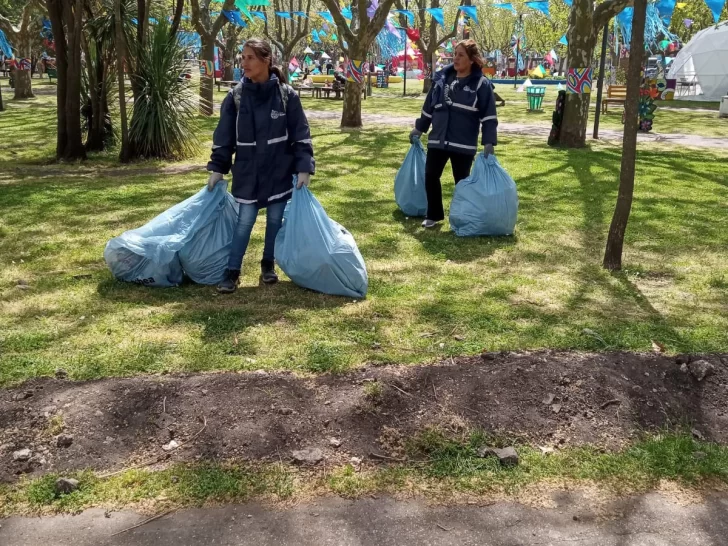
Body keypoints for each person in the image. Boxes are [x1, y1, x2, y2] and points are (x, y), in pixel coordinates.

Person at [206, 38, 315, 294]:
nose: (244, 62)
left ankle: (268, 264)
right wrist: (218, 168)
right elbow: (224, 137)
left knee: (276, 219)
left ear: (266, 61)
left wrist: (303, 167)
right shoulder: (235, 97)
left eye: (250, 57)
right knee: (244, 221)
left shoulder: (287, 96)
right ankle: (232, 271)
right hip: (247, 172)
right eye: (242, 57)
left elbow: (301, 134)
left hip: (279, 170)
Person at [410, 39, 498, 228]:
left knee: (462, 182)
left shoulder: (481, 85)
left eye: (461, 55)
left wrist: (489, 142)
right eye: (455, 54)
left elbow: (489, 117)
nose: (455, 58)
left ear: (472, 60)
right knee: (431, 175)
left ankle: (462, 216)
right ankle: (433, 215)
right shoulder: (441, 80)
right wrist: (419, 128)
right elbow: (429, 107)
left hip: (463, 143)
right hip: (438, 139)